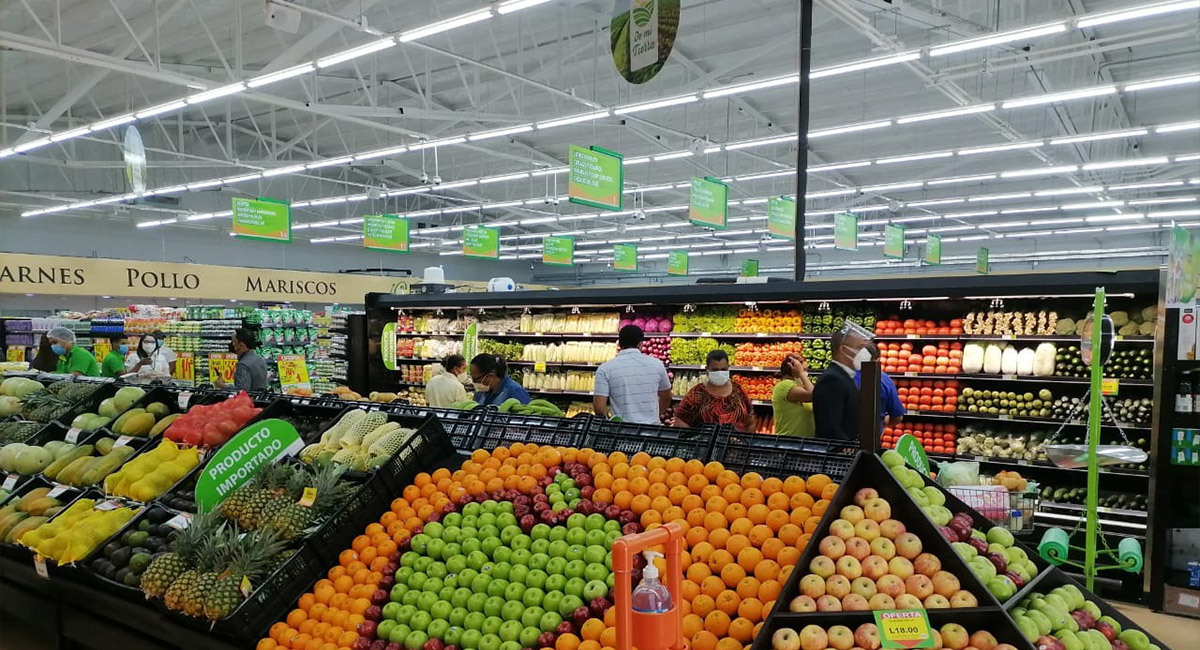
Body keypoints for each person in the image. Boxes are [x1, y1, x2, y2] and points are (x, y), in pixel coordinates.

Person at [593, 325, 672, 424]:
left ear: (620, 344)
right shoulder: (657, 365)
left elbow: (599, 407)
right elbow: (667, 396)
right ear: (640, 344)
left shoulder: (605, 369)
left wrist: (611, 423)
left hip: (621, 431)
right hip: (652, 429)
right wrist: (656, 415)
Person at [812, 322, 872, 441]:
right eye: (859, 347)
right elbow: (830, 427)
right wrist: (848, 449)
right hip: (837, 455)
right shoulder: (832, 380)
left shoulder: (844, 375)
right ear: (843, 349)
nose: (864, 352)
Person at [674, 350, 754, 431]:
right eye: (715, 370)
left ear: (728, 368)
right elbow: (680, 424)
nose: (720, 373)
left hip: (735, 442)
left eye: (723, 369)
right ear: (707, 369)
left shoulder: (739, 391)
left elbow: (750, 422)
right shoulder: (696, 394)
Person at [855, 343, 905, 425]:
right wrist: (883, 424)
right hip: (871, 433)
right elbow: (897, 417)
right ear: (877, 360)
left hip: (841, 434)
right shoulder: (884, 380)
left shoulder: (843, 375)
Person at [772, 353, 816, 437]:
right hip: (790, 444)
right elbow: (812, 395)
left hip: (803, 443)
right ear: (792, 369)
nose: (806, 373)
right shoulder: (784, 386)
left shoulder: (798, 387)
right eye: (804, 370)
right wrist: (801, 374)